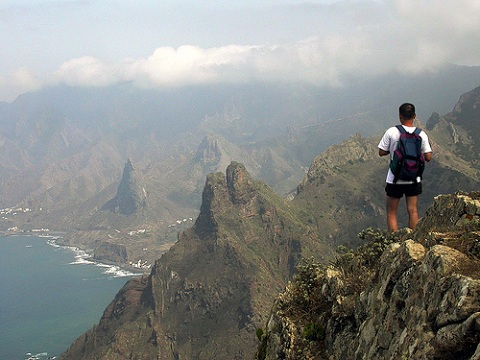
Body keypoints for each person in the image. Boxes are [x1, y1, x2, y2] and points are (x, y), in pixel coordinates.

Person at [378, 103, 433, 232]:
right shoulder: (421, 134)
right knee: (413, 210)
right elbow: (428, 157)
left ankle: (394, 243)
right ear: (414, 116)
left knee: (392, 213)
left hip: (394, 178)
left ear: (400, 116)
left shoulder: (392, 132)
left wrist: (393, 151)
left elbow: (381, 152)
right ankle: (412, 239)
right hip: (414, 178)